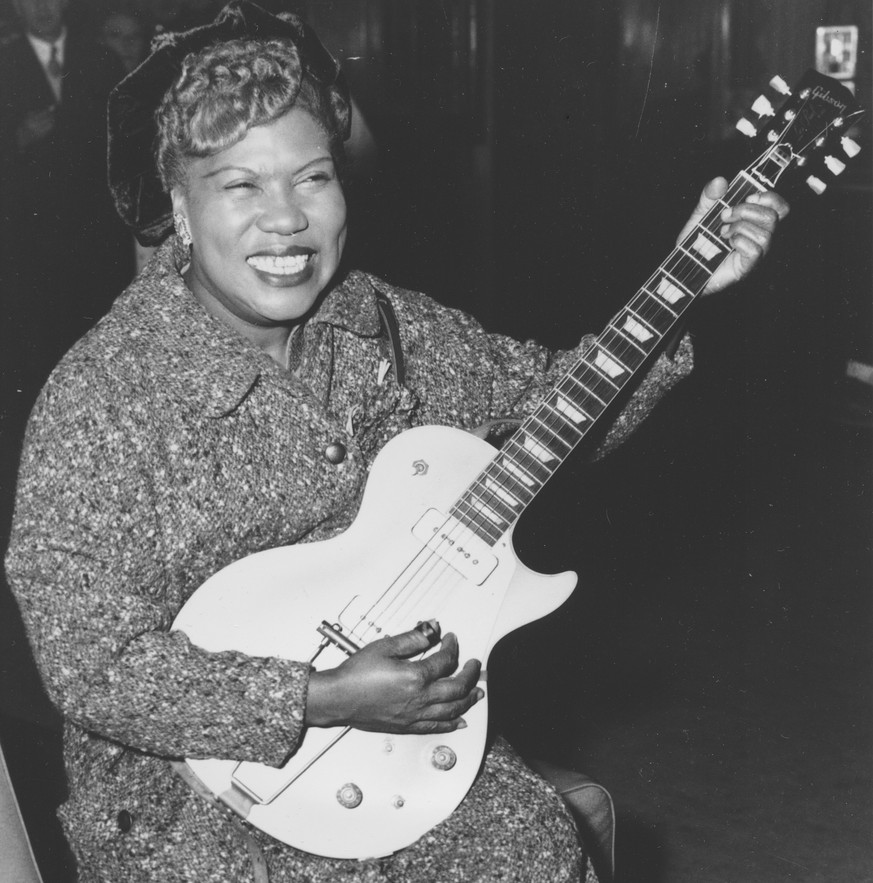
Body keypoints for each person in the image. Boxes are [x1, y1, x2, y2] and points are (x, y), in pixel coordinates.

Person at [4, 2, 788, 881]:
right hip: (189, 788)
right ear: (180, 211)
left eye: (312, 177)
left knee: (530, 852)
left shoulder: (380, 321)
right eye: (240, 186)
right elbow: (90, 665)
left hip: (396, 751)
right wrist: (319, 694)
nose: (287, 220)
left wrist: (684, 286)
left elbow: (548, 404)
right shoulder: (105, 395)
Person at [0, 0, 133, 415]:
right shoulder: (5, 63)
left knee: (97, 346)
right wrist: (17, 139)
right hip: (30, 244)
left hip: (94, 238)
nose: (41, 7)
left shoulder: (100, 58)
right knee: (39, 356)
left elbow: (123, 144)